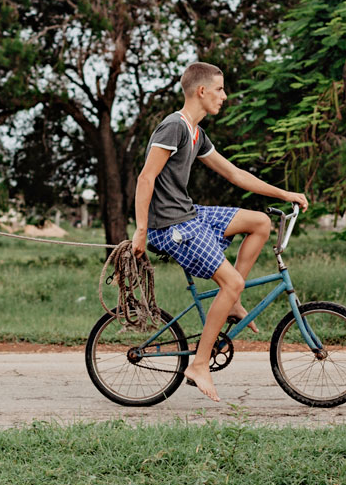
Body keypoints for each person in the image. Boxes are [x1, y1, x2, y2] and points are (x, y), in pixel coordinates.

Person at [130, 62, 308, 403]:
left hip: (189, 214)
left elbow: (236, 174)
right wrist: (141, 231)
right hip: (171, 226)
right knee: (232, 280)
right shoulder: (174, 127)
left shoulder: (197, 133)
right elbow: (145, 178)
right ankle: (198, 364)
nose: (224, 97)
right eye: (220, 90)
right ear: (201, 91)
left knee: (259, 223)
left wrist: (285, 194)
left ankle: (232, 300)